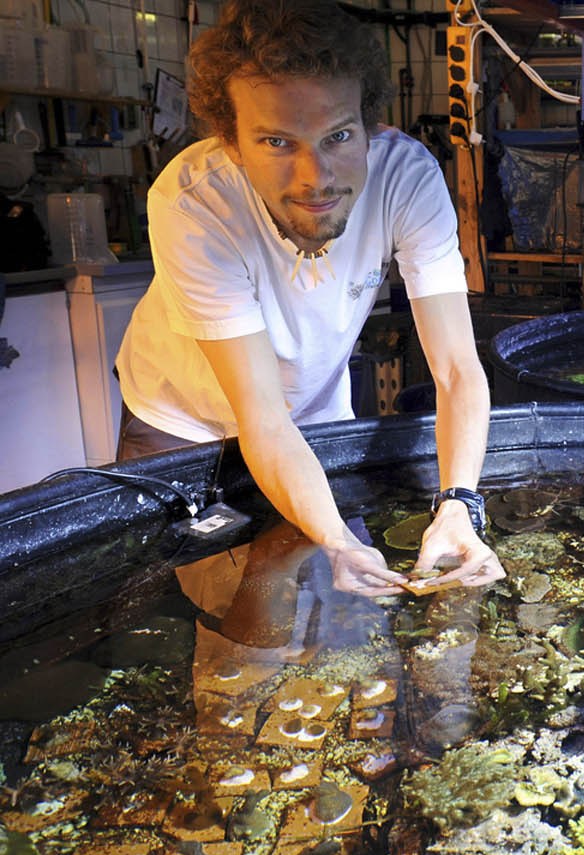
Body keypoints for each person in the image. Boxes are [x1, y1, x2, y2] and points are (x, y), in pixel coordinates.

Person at [115, 0, 504, 598]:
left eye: (338, 136)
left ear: (368, 124)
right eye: (277, 141)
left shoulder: (406, 178)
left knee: (345, 613)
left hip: (312, 413)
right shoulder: (195, 203)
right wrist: (338, 542)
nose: (315, 177)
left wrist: (458, 504)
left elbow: (455, 369)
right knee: (232, 619)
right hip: (183, 422)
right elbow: (261, 416)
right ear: (232, 142)